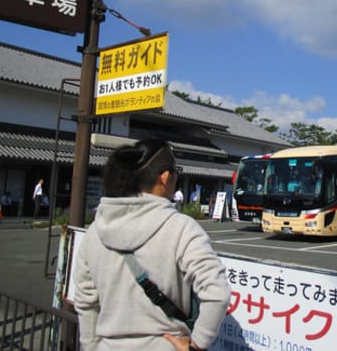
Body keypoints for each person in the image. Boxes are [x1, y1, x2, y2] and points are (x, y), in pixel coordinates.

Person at [73, 139, 230, 351]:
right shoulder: (181, 228)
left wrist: (91, 347)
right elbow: (217, 292)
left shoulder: (95, 231)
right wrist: (197, 345)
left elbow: (86, 302)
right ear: (165, 178)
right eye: (176, 171)